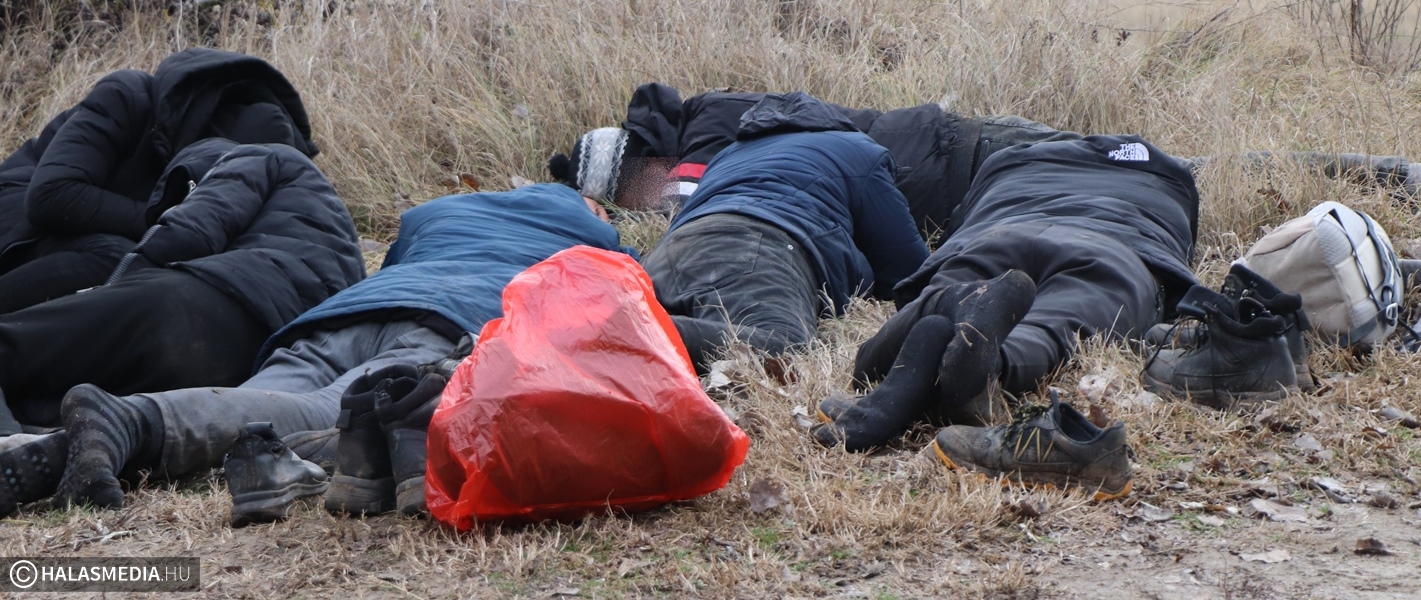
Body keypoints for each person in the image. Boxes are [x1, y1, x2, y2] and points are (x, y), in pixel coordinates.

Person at [0, 183, 631, 522]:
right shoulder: (594, 237)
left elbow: (400, 254)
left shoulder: (438, 214)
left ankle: (56, 447)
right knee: (323, 413)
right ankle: (125, 421)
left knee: (252, 413)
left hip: (344, 314)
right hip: (449, 322)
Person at [813, 135, 1201, 501]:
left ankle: (944, 307)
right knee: (1051, 330)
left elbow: (957, 220)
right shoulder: (1167, 176)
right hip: (1110, 246)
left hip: (997, 233)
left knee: (944, 299)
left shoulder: (1010, 161)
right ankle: (992, 363)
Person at [0, 48, 318, 317]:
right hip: (21, 221)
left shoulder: (267, 172)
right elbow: (51, 195)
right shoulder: (127, 96)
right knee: (122, 260)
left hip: (92, 240)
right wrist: (173, 228)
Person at [624, 92, 928, 371]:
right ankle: (639, 331)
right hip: (757, 246)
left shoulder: (731, 152)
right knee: (786, 349)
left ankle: (627, 326)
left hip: (670, 251)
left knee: (652, 331)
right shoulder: (859, 149)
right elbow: (906, 271)